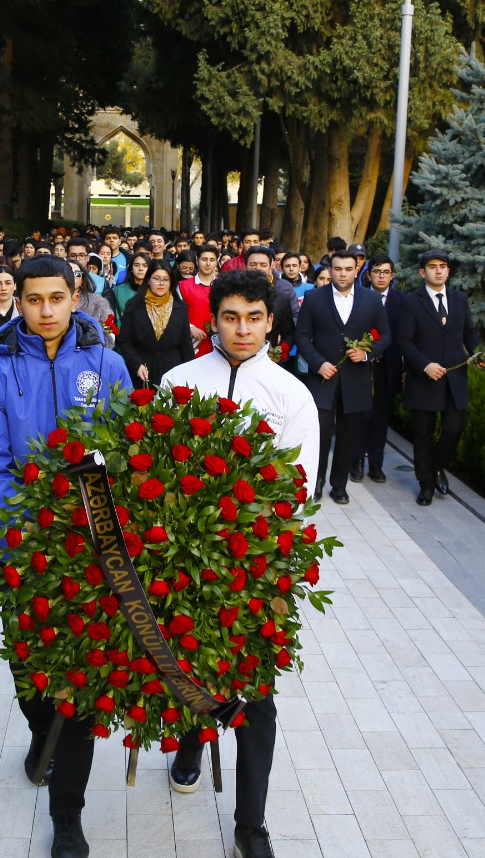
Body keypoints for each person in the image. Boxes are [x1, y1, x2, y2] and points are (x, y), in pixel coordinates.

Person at [0, 256, 132, 858]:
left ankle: (68, 814)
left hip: (94, 550)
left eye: (56, 298)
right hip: (24, 548)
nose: (45, 311)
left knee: (80, 677)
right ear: (18, 301)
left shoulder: (107, 364)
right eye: (33, 300)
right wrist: (40, 531)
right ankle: (43, 735)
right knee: (28, 662)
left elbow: (125, 447)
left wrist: (92, 525)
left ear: (75, 296)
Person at [156, 269, 318, 858]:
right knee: (189, 667)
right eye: (231, 317)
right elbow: (154, 471)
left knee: (257, 695)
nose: (242, 329)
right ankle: (192, 744)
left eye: (254, 317)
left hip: (254, 570)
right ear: (213, 320)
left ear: (271, 321)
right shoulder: (180, 380)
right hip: (183, 562)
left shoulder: (290, 394)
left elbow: (297, 490)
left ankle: (251, 822)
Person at [294, 244, 389, 505]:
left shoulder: (371, 300)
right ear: (330, 270)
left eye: (348, 269)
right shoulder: (315, 298)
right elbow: (302, 335)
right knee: (320, 433)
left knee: (349, 436)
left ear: (357, 270)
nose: (343, 274)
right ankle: (317, 482)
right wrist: (317, 363)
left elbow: (386, 336)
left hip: (355, 380)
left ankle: (339, 485)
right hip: (322, 378)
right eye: (338, 269)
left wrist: (367, 354)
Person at [401, 248, 482, 506]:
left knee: (453, 428)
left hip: (455, 379)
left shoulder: (459, 300)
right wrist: (424, 365)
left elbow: (468, 332)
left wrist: (479, 353)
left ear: (448, 271)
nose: (438, 270)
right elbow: (404, 341)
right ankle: (425, 485)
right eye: (433, 266)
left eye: (443, 266)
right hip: (424, 379)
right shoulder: (412, 302)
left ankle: (435, 468)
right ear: (422, 272)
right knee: (423, 434)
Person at [358, 254, 411, 483]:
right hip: (360, 365)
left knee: (380, 419)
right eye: (377, 271)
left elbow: (407, 337)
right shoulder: (358, 298)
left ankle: (376, 465)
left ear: (392, 276)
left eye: (386, 272)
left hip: (387, 367)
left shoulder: (402, 301)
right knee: (360, 417)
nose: (381, 276)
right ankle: (356, 461)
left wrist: (405, 368)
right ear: (369, 274)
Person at [117, 260, 195, 388]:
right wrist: (136, 364)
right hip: (143, 371)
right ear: (148, 280)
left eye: (166, 279)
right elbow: (124, 340)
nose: (161, 283)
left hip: (172, 371)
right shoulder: (134, 305)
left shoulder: (179, 307)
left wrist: (190, 374)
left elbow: (185, 344)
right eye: (157, 278)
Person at [242, 246, 295, 355]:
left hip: (268, 359)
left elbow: (289, 334)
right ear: (245, 267)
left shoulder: (282, 299)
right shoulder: (231, 297)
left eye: (263, 265)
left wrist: (281, 351)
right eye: (253, 265)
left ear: (271, 267)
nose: (258, 268)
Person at [178, 244, 218, 356]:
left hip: (218, 343)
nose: (208, 263)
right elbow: (176, 313)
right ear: (197, 261)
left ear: (217, 262)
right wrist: (190, 327)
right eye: (204, 259)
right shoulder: (183, 286)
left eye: (212, 260)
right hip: (191, 342)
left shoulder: (223, 285)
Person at [74, 267, 115, 347]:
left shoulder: (99, 303)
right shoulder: (49, 303)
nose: (72, 277)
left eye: (77, 274)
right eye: (68, 272)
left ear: (83, 278)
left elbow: (109, 330)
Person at [110, 249, 152, 314]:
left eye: (145, 266)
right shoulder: (119, 290)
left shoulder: (155, 290)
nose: (140, 269)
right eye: (137, 265)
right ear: (131, 269)